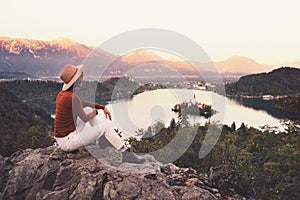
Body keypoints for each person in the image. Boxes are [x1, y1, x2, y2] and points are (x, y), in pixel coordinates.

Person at [54, 64, 145, 164]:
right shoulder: (71, 97)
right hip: (68, 142)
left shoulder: (63, 95)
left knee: (88, 109)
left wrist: (102, 107)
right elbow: (85, 118)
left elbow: (82, 103)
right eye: (80, 77)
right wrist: (96, 112)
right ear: (76, 80)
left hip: (64, 138)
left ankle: (101, 136)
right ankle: (126, 153)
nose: (82, 79)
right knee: (105, 125)